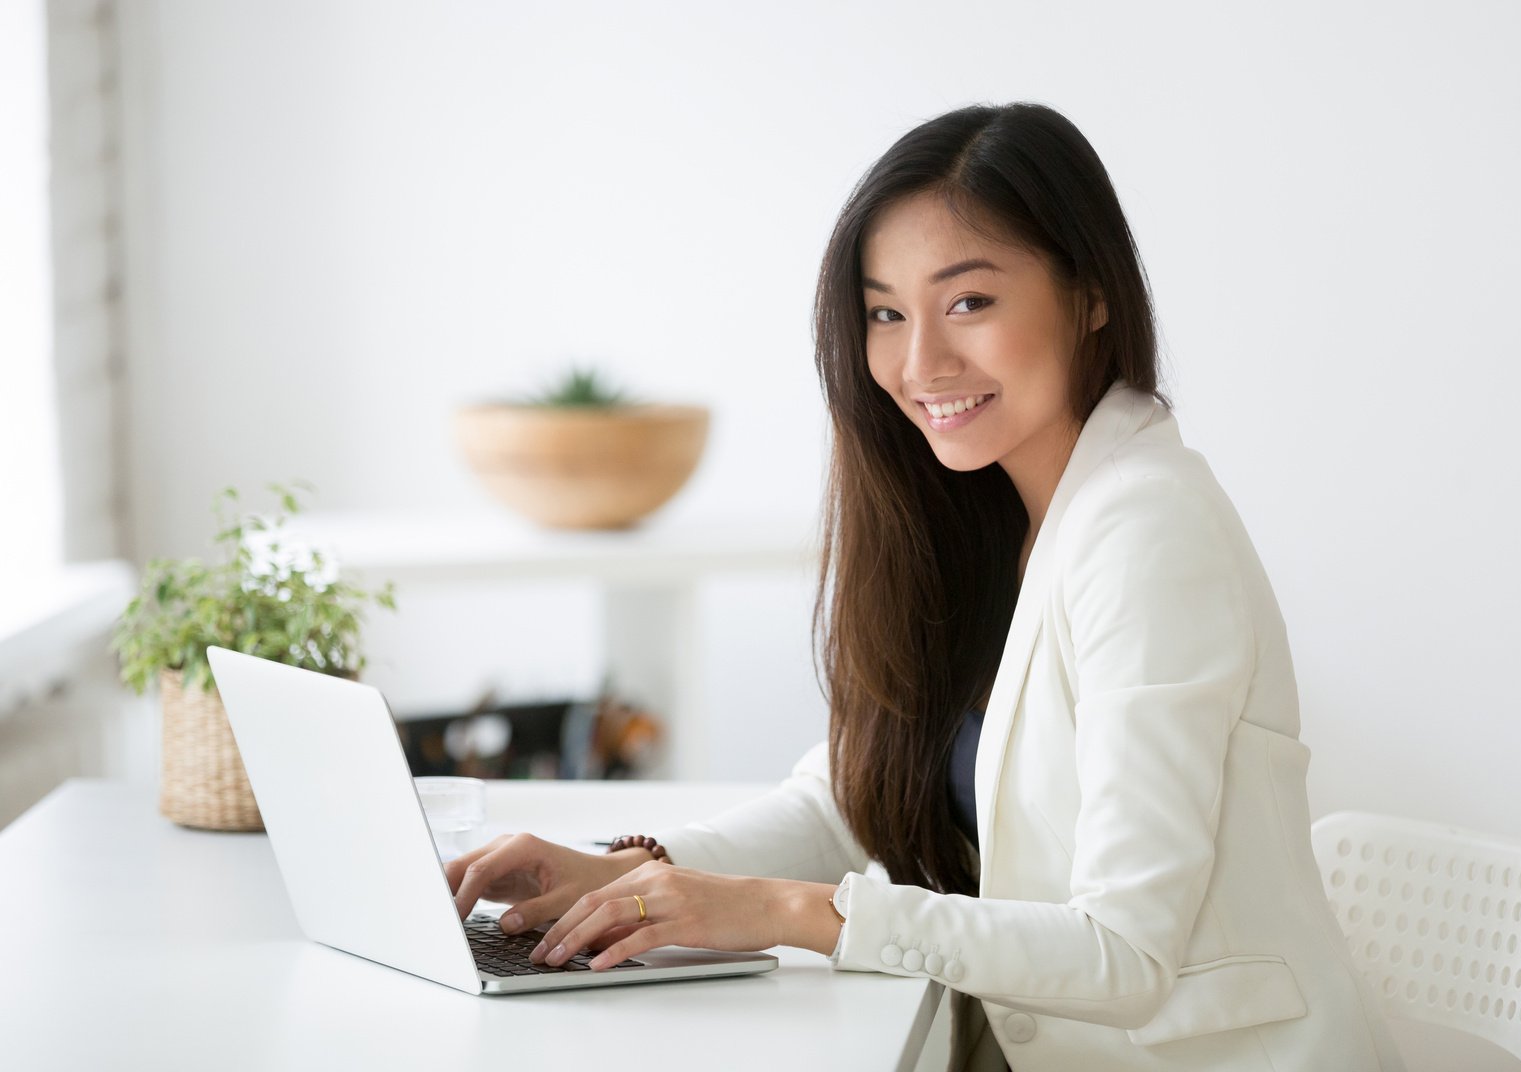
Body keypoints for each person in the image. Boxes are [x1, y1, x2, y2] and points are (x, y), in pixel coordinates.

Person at [447, 101, 1406, 1072]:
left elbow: (1126, 952)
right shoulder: (990, 512)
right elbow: (851, 803)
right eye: (884, 313)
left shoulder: (1144, 529)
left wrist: (785, 911)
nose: (917, 364)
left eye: (968, 302)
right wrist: (641, 866)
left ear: (1090, 293)